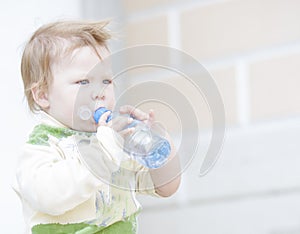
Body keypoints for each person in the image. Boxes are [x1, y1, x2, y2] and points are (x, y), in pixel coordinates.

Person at [13, 20, 181, 234]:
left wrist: (158, 142)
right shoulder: (41, 146)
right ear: (43, 95)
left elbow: (165, 187)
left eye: (106, 81)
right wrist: (104, 149)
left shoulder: (113, 140)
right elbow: (50, 196)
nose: (99, 92)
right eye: (83, 82)